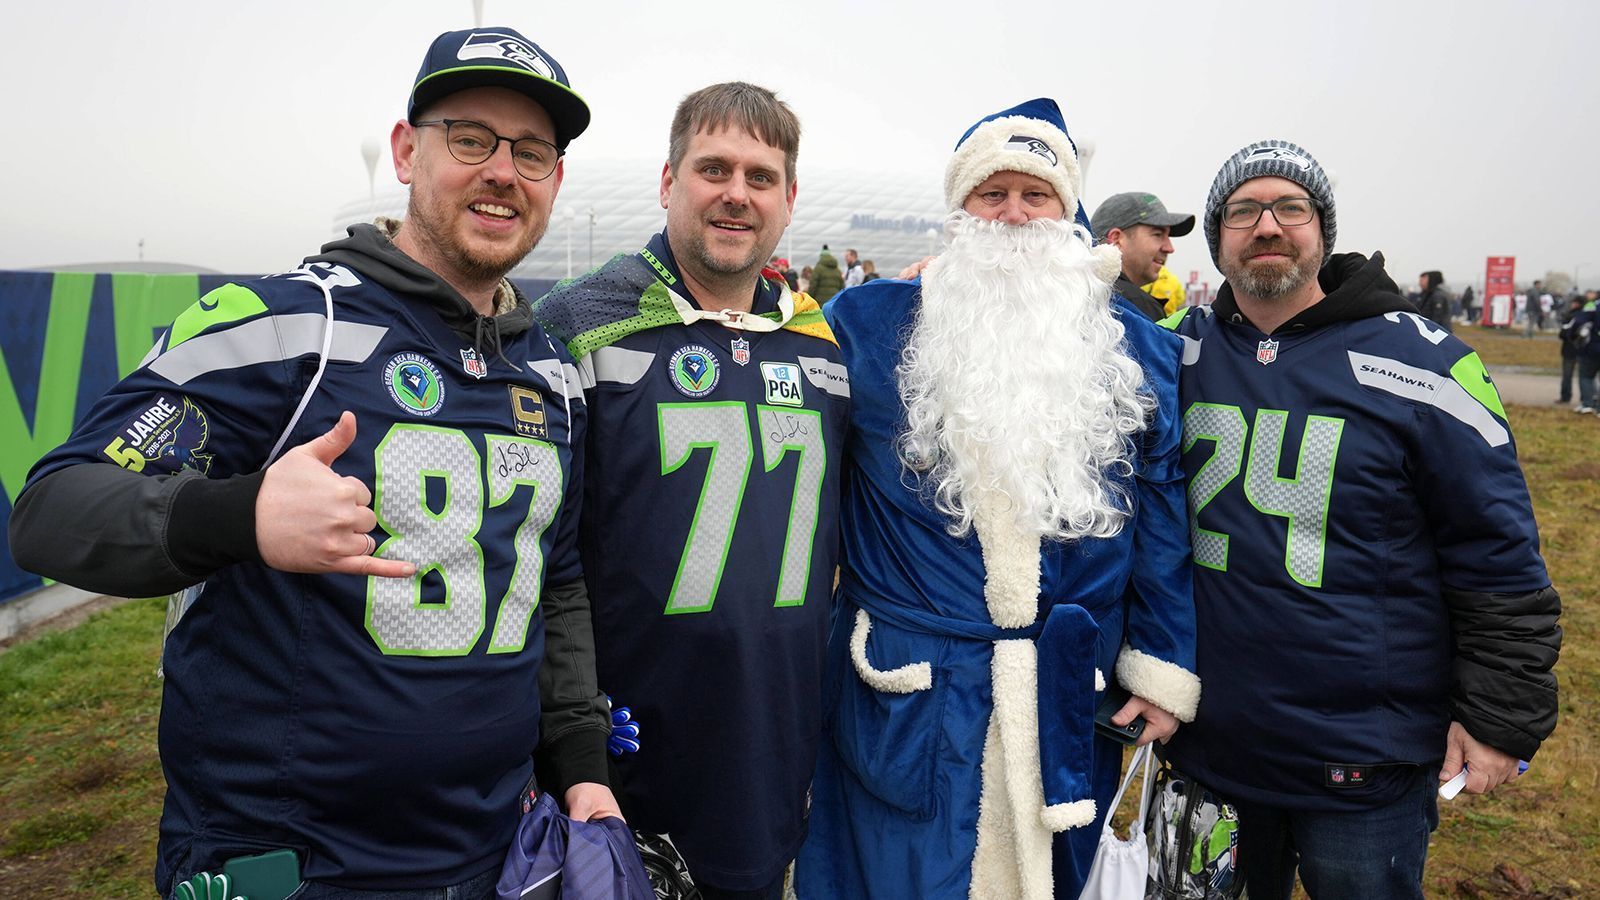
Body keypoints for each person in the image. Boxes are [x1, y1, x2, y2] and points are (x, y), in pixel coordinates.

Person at [8, 27, 620, 898]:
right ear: (408, 151)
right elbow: (53, 509)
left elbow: (553, 584)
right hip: (295, 866)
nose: (501, 171)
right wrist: (240, 514)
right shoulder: (285, 329)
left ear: (554, 179)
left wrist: (580, 761)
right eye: (471, 138)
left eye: (531, 151)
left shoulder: (553, 375)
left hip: (498, 853)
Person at [794, 98, 1200, 900]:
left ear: (1067, 212)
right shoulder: (866, 325)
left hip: (1064, 693)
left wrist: (1159, 667)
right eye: (992, 194)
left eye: (1036, 195)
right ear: (960, 210)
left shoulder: (1136, 350)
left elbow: (1162, 520)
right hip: (907, 690)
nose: (1014, 214)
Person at [1161, 139, 1562, 900]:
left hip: (1362, 760)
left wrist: (1501, 717)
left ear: (1324, 230)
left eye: (1292, 208)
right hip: (1213, 744)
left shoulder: (1426, 366)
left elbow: (1497, 555)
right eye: (1244, 211)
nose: (1269, 226)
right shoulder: (1175, 354)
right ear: (1217, 237)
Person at [533, 82, 849, 899]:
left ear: (789, 199)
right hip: (622, 760)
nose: (736, 193)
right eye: (714, 169)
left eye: (760, 175)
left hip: (772, 753)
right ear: (669, 181)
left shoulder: (820, 342)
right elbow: (539, 563)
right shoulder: (579, 324)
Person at [1090, 191, 1196, 320]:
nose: (1170, 248)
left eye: (1167, 236)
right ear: (1117, 239)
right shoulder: (1136, 306)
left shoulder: (1078, 294)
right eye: (1157, 234)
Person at [1556, 293, 1586, 405]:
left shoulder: (1570, 316)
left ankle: (1565, 397)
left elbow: (1563, 333)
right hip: (1584, 350)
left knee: (1567, 375)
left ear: (1576, 303)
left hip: (1569, 349)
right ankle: (1587, 399)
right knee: (1585, 377)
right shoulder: (1587, 316)